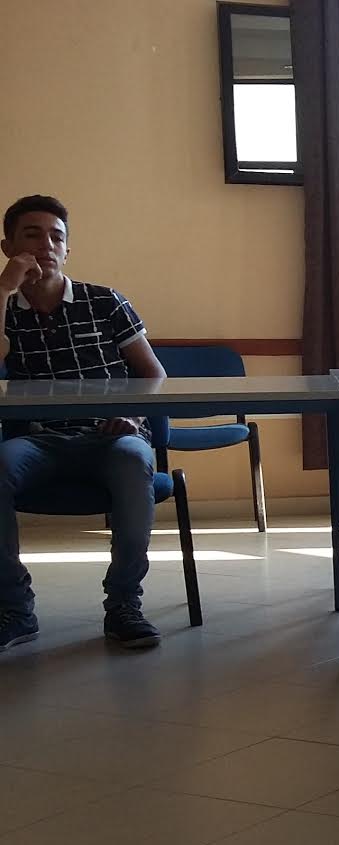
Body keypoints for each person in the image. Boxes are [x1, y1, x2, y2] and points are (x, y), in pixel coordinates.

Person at [0, 195, 169, 651]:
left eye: (56, 237)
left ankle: (124, 605)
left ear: (67, 250)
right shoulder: (6, 309)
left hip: (111, 435)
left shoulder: (104, 301)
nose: (46, 245)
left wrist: (131, 416)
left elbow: (152, 375)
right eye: (32, 235)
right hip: (39, 440)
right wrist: (3, 289)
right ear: (8, 247)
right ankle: (15, 609)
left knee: (134, 461)